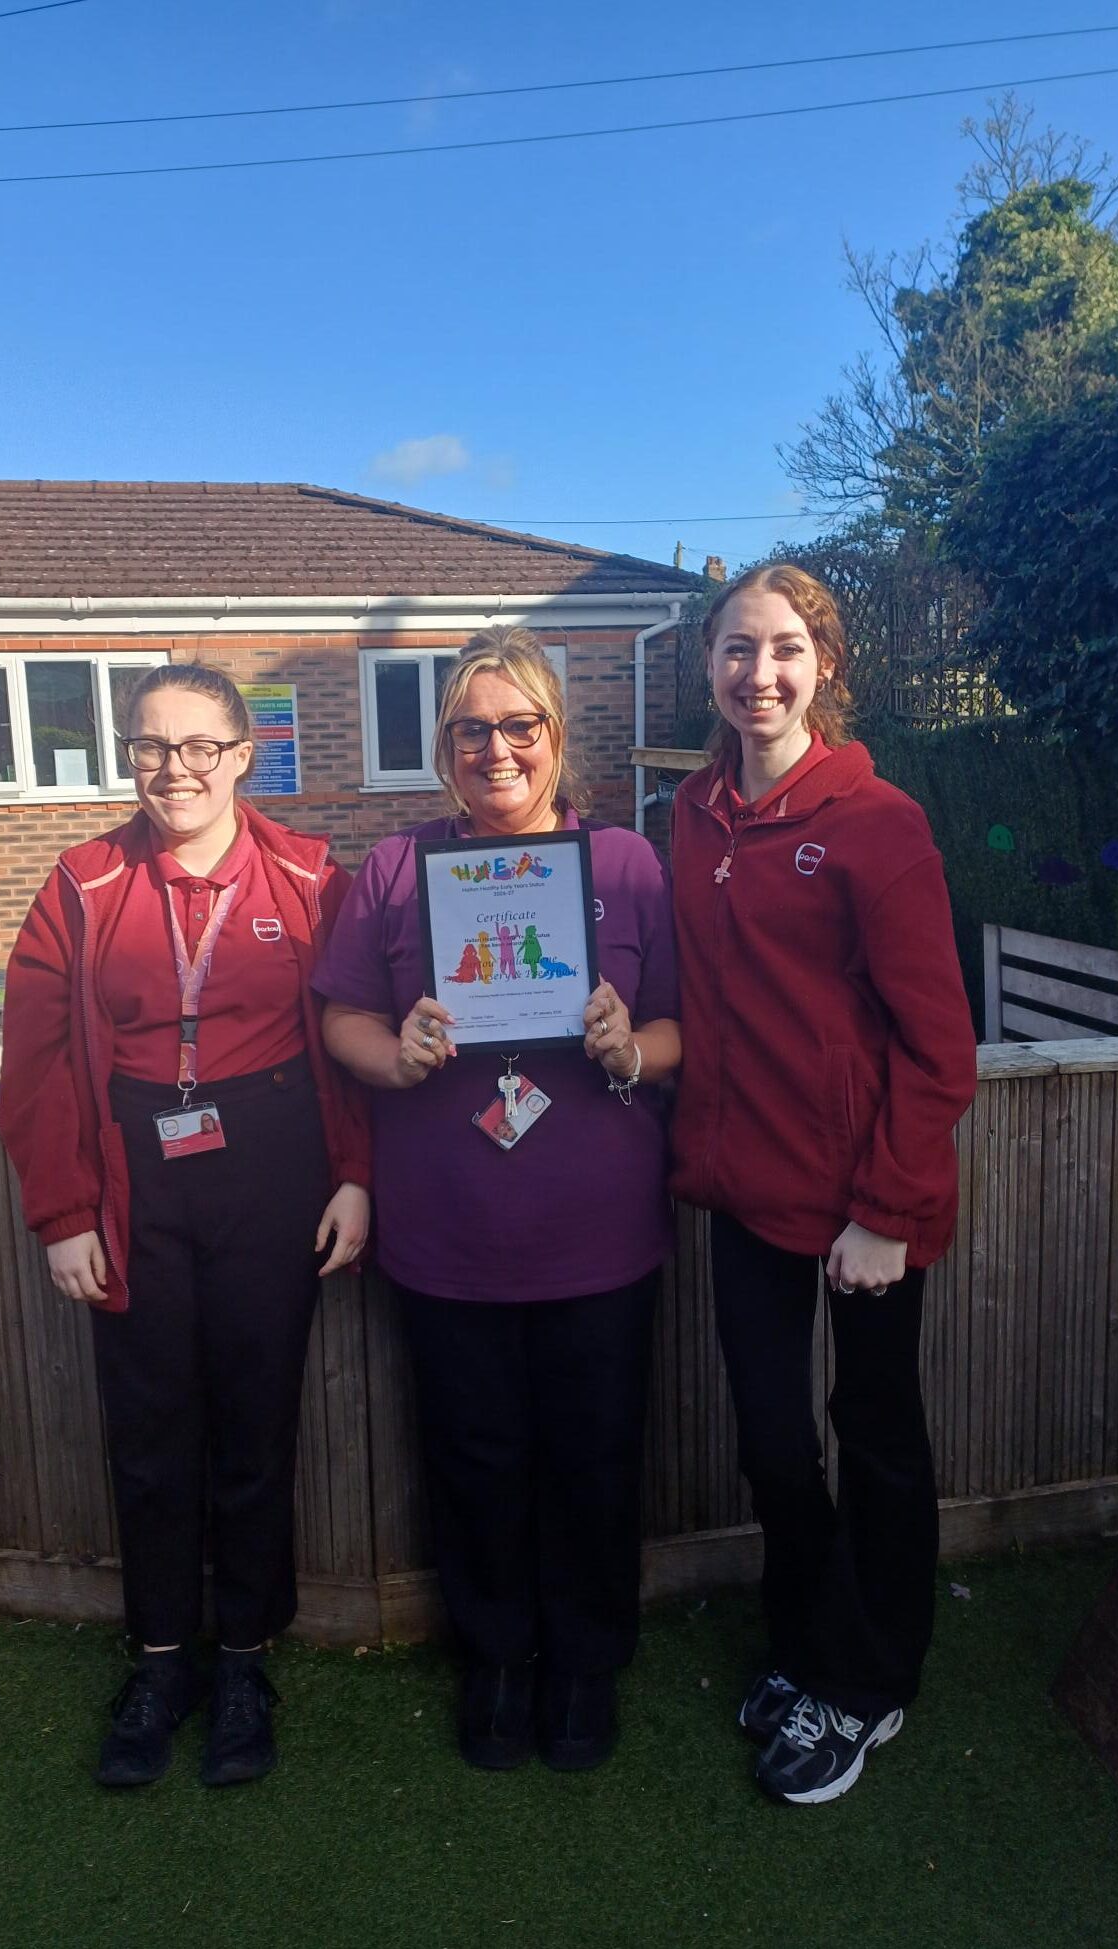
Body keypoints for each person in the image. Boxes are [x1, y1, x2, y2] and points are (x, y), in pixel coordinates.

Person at [0, 664, 369, 1790]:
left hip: (273, 1166)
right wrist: (64, 1211)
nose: (178, 768)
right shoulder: (82, 880)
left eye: (202, 744)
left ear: (245, 752)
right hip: (132, 1170)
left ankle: (248, 1658)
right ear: (129, 755)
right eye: (154, 746)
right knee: (151, 1426)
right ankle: (161, 1658)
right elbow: (40, 1061)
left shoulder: (310, 875)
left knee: (257, 1421)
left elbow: (347, 1036)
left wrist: (355, 1176)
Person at [316, 626, 680, 1772]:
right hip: (448, 1231)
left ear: (555, 736)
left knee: (595, 1453)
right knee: (472, 1454)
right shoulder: (392, 868)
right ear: (445, 745)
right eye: (473, 728)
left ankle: (582, 1663)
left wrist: (630, 1045)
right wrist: (398, 1050)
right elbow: (340, 1015)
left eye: (519, 724)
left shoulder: (624, 862)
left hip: (598, 1235)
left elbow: (681, 1028)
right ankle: (497, 1659)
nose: (496, 747)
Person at [669, 564, 977, 1806]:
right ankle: (804, 1646)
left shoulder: (877, 821)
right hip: (744, 1192)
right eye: (738, 649)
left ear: (827, 665)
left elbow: (938, 1045)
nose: (762, 673)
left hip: (866, 1208)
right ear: (709, 665)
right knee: (775, 1444)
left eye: (787, 648)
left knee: (878, 1442)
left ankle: (870, 1680)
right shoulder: (691, 817)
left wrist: (886, 1212)